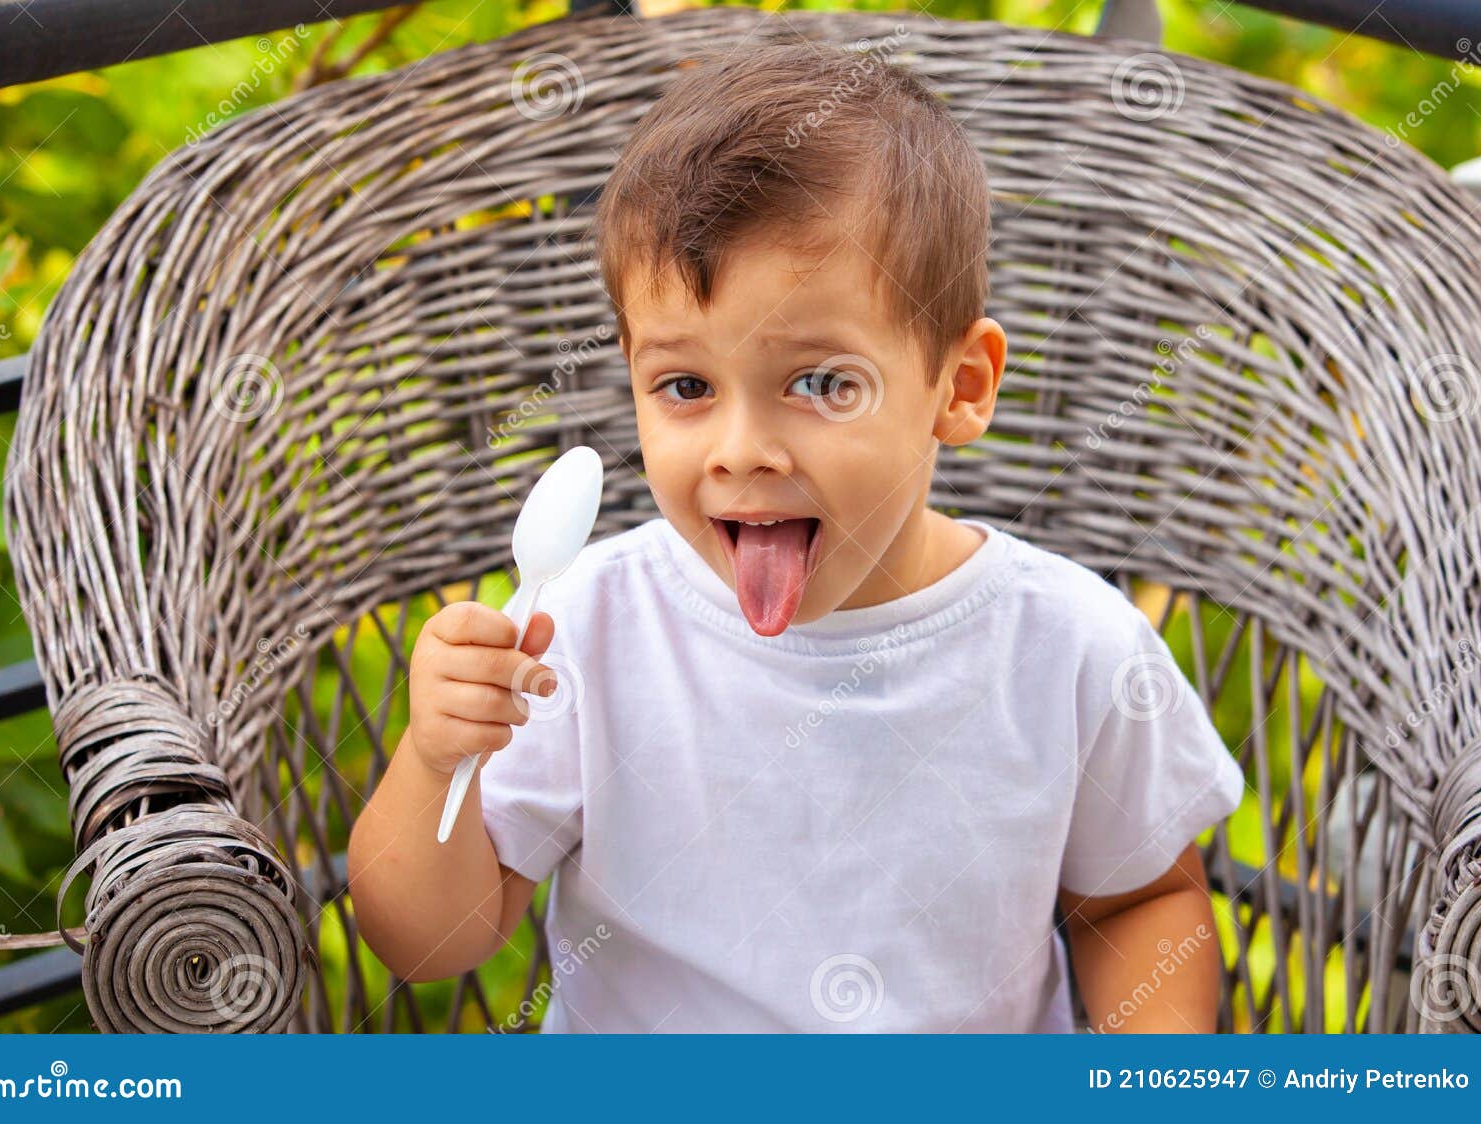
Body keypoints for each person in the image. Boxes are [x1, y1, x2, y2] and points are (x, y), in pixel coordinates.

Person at [348, 37, 1245, 1032]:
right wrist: (434, 758)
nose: (742, 451)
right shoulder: (581, 632)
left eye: (820, 383)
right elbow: (428, 941)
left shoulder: (1070, 647)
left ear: (960, 386)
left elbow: (1141, 898)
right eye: (685, 386)